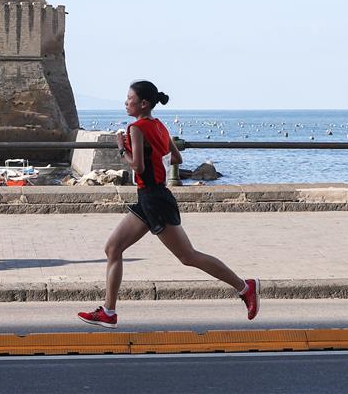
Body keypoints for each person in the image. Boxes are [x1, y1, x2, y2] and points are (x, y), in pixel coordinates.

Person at [78, 80, 259, 328]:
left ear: (143, 103)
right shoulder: (159, 126)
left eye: (129, 98)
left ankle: (244, 286)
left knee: (188, 256)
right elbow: (176, 157)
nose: (125, 102)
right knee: (113, 248)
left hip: (154, 199)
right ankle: (108, 311)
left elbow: (137, 166)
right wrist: (154, 162)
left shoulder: (136, 128)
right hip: (149, 197)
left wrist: (122, 149)